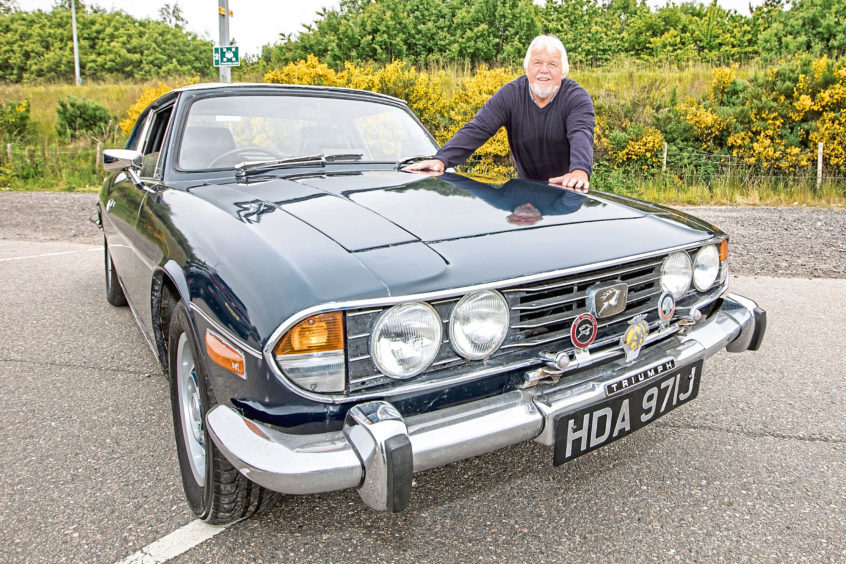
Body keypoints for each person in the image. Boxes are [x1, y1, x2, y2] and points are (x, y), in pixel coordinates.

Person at [404, 35, 595, 192]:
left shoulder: (576, 98)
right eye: (537, 62)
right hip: (525, 191)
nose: (543, 70)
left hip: (568, 192)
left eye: (552, 64)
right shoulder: (510, 94)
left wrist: (579, 171)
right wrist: (441, 159)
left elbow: (581, 132)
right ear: (527, 67)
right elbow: (478, 128)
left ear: (563, 70)